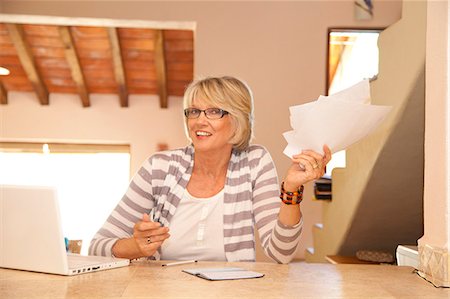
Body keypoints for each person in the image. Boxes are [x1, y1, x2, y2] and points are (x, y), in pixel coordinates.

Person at [89, 76, 331, 264]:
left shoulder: (254, 162)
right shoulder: (159, 167)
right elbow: (96, 246)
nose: (199, 120)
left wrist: (291, 189)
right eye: (193, 111)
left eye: (214, 111)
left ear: (237, 119)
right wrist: (137, 246)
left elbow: (281, 253)